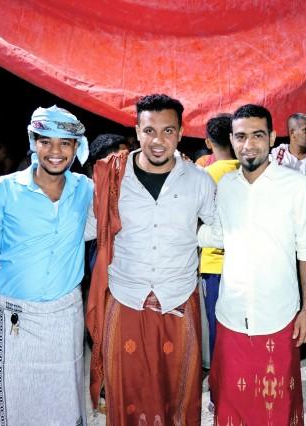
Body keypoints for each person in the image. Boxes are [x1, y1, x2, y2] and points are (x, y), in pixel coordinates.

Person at [85, 94, 216, 425]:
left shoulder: (199, 181)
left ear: (181, 132)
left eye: (168, 131)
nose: (158, 141)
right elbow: (85, 228)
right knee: (127, 395)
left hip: (178, 299)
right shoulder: (112, 178)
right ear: (136, 131)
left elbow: (221, 229)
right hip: (125, 297)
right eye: (149, 131)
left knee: (178, 396)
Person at [0, 105, 92, 425]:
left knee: (62, 411)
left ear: (76, 147)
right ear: (33, 142)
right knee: (12, 411)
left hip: (65, 321)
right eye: (45, 141)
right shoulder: (2, 190)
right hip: (14, 321)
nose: (55, 151)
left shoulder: (86, 190)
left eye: (65, 143)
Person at [198, 104, 306, 425]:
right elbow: (219, 234)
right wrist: (181, 229)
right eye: (241, 137)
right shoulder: (225, 186)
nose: (248, 144)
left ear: (272, 137)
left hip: (280, 316)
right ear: (232, 140)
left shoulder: (295, 185)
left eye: (257, 135)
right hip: (231, 315)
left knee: (277, 409)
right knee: (232, 407)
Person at [199, 113, 239, 359]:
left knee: (217, 327)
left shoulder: (203, 175)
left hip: (214, 264)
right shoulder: (248, 170)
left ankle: (220, 378)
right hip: (243, 264)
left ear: (208, 142)